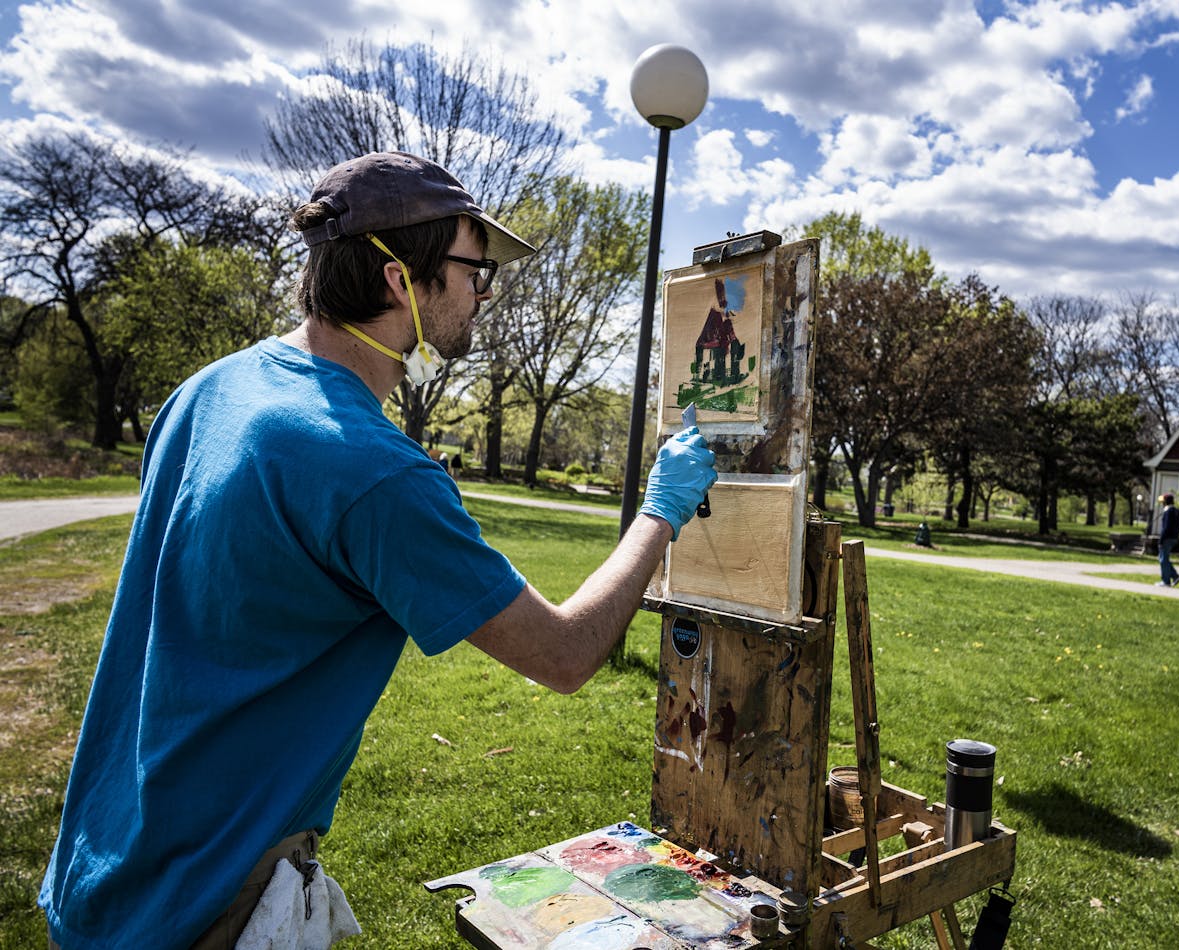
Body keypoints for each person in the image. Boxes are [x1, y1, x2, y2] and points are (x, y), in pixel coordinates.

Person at [37, 151, 718, 950]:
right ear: (401, 280)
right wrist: (661, 511)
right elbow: (564, 654)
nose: (482, 293)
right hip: (201, 898)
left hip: (100, 864)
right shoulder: (372, 471)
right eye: (474, 270)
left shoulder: (211, 388)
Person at [1157, 492, 1179, 587]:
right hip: (1174, 537)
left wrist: (1161, 540)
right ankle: (1175, 576)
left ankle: (1166, 581)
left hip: (1167, 538)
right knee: (1164, 559)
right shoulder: (1177, 511)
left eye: (1163, 502)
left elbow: (1166, 527)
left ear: (1165, 502)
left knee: (1163, 559)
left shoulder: (1168, 511)